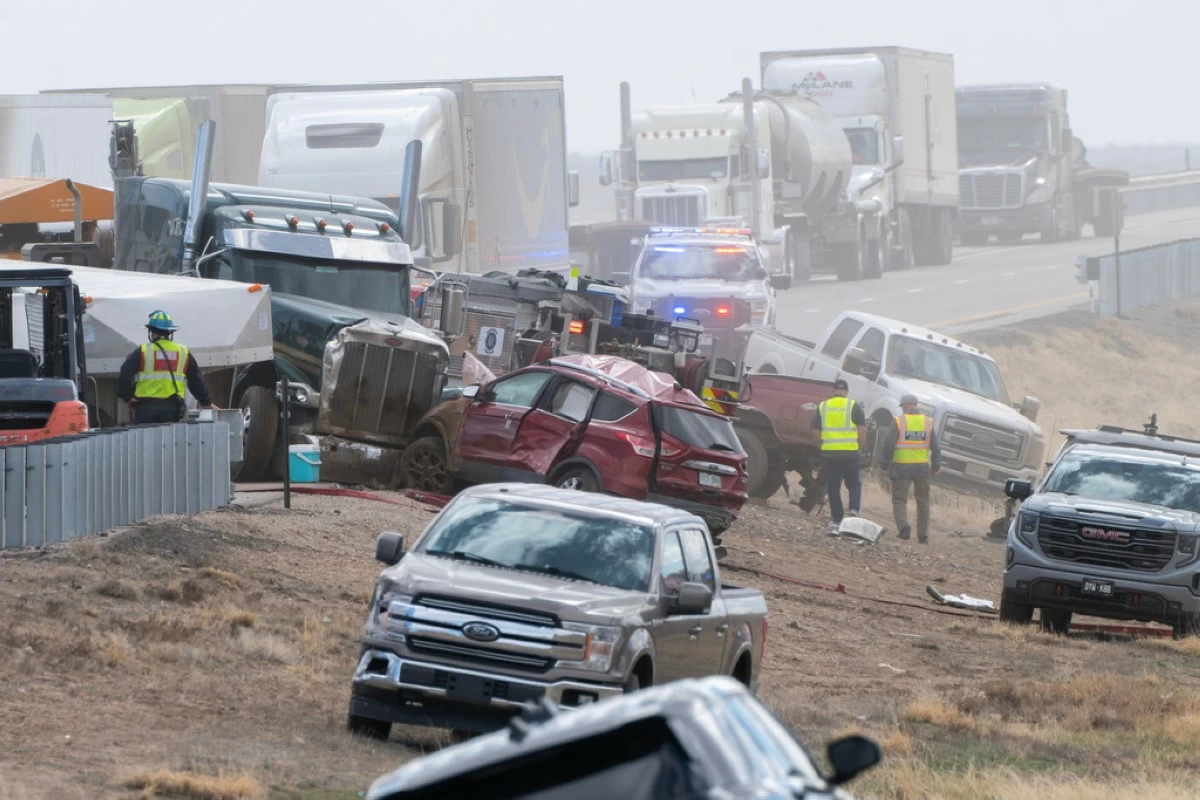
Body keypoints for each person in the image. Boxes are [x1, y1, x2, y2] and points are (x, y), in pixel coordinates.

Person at [117, 310, 216, 424]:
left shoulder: (143, 351)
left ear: (151, 332)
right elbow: (195, 380)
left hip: (145, 408)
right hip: (171, 409)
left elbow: (124, 374)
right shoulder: (183, 352)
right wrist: (205, 402)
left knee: (145, 440)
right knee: (168, 440)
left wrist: (127, 397)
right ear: (170, 333)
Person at [881, 394, 942, 544]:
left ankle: (904, 528)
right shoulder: (928, 422)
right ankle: (923, 535)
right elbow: (936, 447)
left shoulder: (899, 421)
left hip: (902, 467)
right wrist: (936, 466)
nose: (902, 410)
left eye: (902, 407)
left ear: (907, 405)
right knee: (923, 501)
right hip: (922, 468)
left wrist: (883, 463)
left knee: (899, 499)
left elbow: (888, 444)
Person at [810, 378, 867, 533]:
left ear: (833, 391)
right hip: (850, 453)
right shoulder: (853, 406)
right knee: (854, 483)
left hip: (830, 454)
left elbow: (815, 432)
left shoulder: (823, 406)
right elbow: (862, 430)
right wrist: (859, 448)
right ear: (847, 392)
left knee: (833, 487)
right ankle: (854, 509)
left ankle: (837, 519)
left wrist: (821, 448)